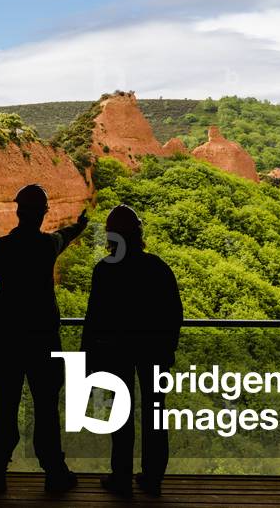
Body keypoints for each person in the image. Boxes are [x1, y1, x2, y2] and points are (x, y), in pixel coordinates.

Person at [0, 184, 88, 494]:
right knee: (47, 409)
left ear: (18, 211)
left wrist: (4, 308)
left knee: (5, 409)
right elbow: (66, 235)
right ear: (43, 214)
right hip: (44, 342)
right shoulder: (47, 246)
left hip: (7, 342)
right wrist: (81, 225)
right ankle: (55, 474)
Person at [81, 204, 183, 498]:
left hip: (116, 352)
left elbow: (94, 319)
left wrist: (88, 358)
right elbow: (174, 314)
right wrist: (168, 351)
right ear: (139, 233)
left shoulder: (105, 270)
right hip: (153, 352)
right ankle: (152, 479)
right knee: (155, 413)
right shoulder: (158, 267)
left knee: (121, 416)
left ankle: (122, 478)